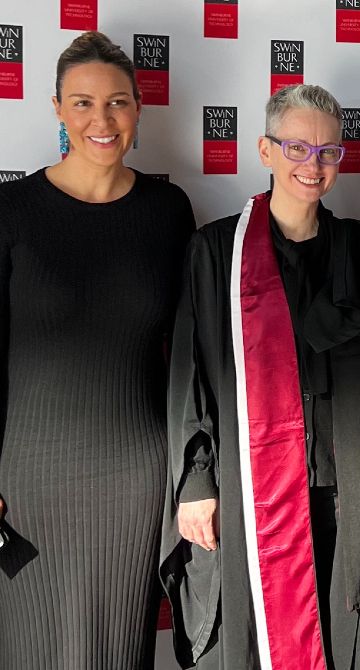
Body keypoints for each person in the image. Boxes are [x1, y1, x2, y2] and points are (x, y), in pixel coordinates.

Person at [160, 84, 360, 669]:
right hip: (247, 487)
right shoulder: (216, 252)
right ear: (264, 151)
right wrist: (196, 479)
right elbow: (191, 372)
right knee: (253, 638)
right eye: (296, 148)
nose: (312, 165)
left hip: (342, 488)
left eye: (328, 152)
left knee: (337, 632)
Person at [0, 31, 195, 670]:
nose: (101, 120)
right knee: (28, 644)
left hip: (135, 477)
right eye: (82, 103)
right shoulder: (13, 210)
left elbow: (189, 355)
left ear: (139, 109)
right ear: (56, 107)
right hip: (26, 479)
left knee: (120, 648)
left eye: (117, 103)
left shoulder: (168, 210)